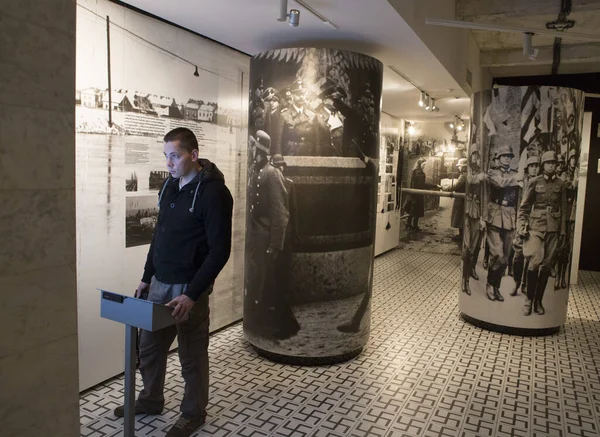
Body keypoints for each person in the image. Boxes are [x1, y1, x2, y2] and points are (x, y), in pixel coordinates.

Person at [113, 127, 233, 437]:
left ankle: (193, 413)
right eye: (166, 157)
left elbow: (220, 250)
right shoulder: (170, 187)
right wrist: (145, 277)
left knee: (191, 353)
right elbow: (159, 236)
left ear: (193, 156)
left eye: (175, 157)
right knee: (150, 348)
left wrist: (193, 294)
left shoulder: (214, 193)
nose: (169, 163)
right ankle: (151, 400)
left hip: (187, 289)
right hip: (159, 284)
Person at [245, 132, 299, 340]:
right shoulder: (255, 171)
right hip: (257, 237)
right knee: (260, 282)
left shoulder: (271, 174)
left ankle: (285, 325)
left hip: (267, 237)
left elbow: (280, 211)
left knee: (272, 284)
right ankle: (264, 324)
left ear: (259, 149)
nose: (250, 150)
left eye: (252, 147)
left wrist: (276, 244)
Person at [517, 150, 567, 316]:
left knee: (546, 266)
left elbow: (564, 210)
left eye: (553, 163)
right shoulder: (534, 182)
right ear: (543, 165)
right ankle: (528, 300)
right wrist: (522, 226)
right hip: (536, 226)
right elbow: (524, 207)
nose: (551, 165)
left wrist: (563, 232)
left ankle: (538, 301)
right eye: (548, 163)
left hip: (553, 228)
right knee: (535, 262)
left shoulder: (561, 184)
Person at [485, 144, 519, 302]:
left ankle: (496, 287)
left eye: (509, 156)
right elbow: (500, 183)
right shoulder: (492, 172)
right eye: (504, 156)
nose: (507, 158)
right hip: (495, 215)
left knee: (505, 258)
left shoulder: (514, 173)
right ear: (498, 158)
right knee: (497, 254)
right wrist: (517, 179)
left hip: (510, 215)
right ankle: (490, 285)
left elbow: (520, 196)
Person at [510, 154, 540, 297]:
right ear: (527, 169)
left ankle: (525, 284)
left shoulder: (540, 184)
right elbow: (516, 203)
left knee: (530, 256)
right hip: (520, 220)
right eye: (532, 166)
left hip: (534, 223)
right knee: (518, 255)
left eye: (536, 166)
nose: (534, 169)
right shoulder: (521, 184)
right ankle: (516, 282)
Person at [462, 151, 485, 295]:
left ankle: (472, 270)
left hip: (478, 212)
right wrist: (480, 177)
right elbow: (468, 180)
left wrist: (484, 217)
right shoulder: (469, 169)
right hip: (467, 211)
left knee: (476, 247)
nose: (476, 159)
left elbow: (485, 195)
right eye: (474, 156)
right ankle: (465, 280)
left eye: (478, 157)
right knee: (467, 249)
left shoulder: (483, 171)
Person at [444, 158, 467, 242]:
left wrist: (445, 188)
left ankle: (461, 235)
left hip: (461, 199)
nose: (458, 168)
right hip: (463, 199)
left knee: (459, 217)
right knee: (461, 217)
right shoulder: (467, 175)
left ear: (464, 167)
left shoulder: (463, 176)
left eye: (460, 166)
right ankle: (462, 234)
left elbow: (455, 186)